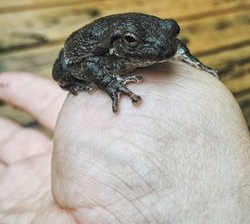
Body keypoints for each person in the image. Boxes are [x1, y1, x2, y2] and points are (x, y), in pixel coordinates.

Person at [0, 61, 249, 223]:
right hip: (81, 54)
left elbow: (168, 43)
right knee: (64, 68)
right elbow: (87, 63)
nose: (165, 46)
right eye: (131, 42)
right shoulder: (107, 53)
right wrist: (111, 83)